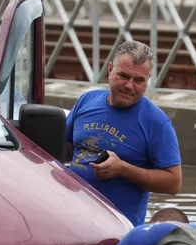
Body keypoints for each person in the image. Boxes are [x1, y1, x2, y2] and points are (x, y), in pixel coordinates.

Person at [65, 40, 182, 227]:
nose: (129, 85)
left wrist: (123, 169)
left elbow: (173, 183)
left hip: (117, 230)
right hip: (70, 217)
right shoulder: (86, 101)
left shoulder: (157, 122)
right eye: (124, 76)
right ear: (110, 70)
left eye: (139, 80)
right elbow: (65, 147)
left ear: (148, 79)